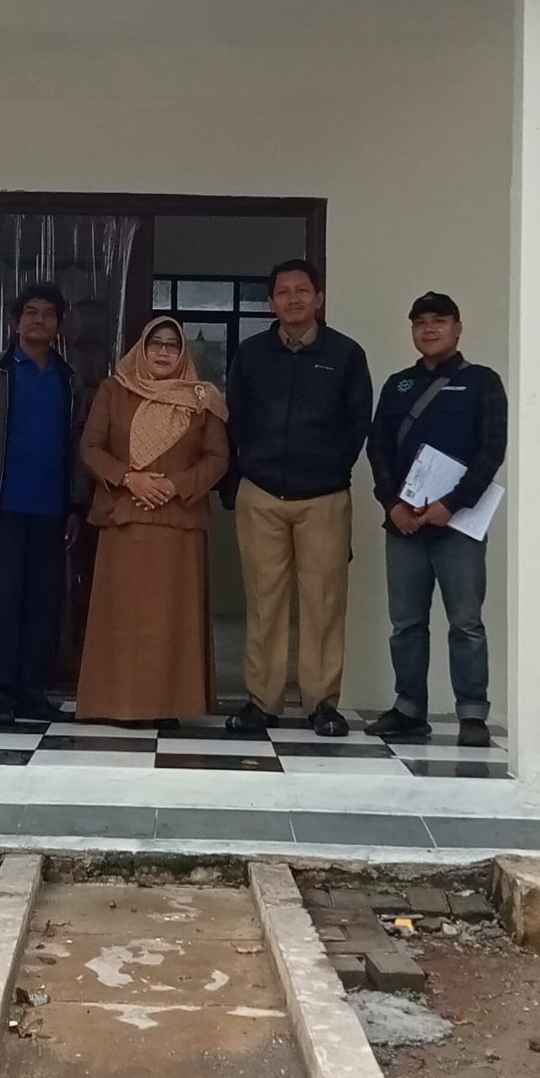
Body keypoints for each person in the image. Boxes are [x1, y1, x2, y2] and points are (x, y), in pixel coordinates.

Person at [224, 258, 371, 739]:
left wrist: (331, 468)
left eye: (302, 290)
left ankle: (322, 705)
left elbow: (358, 423)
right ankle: (261, 702)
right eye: (283, 292)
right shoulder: (251, 354)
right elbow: (236, 418)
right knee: (263, 601)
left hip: (323, 497)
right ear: (271, 302)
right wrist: (248, 468)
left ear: (318, 298)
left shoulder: (345, 354)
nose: (293, 299)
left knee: (323, 602)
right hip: (261, 491)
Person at [366, 292, 508, 748]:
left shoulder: (482, 382)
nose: (429, 329)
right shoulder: (398, 385)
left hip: (457, 525)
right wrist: (391, 504)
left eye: (439, 321)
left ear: (458, 328)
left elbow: (491, 451)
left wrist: (452, 504)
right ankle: (409, 709)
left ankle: (472, 714)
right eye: (420, 322)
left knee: (466, 623)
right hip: (404, 524)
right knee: (406, 623)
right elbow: (377, 447)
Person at [77, 317, 229, 725]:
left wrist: (175, 485)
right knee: (123, 618)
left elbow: (218, 458)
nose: (163, 352)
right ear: (141, 349)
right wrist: (131, 479)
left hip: (179, 522)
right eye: (155, 344)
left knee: (169, 621)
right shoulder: (115, 390)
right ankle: (116, 705)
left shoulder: (202, 398)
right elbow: (91, 448)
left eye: (172, 345)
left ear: (184, 353)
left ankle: (168, 706)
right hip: (125, 518)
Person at [0, 280, 89, 726]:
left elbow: (78, 445)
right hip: (0, 506)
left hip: (51, 510)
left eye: (49, 314)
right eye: (31, 312)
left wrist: (76, 505)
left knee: (42, 605)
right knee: (0, 602)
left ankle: (33, 692)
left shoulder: (68, 378)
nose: (40, 320)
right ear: (16, 321)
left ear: (59, 325)